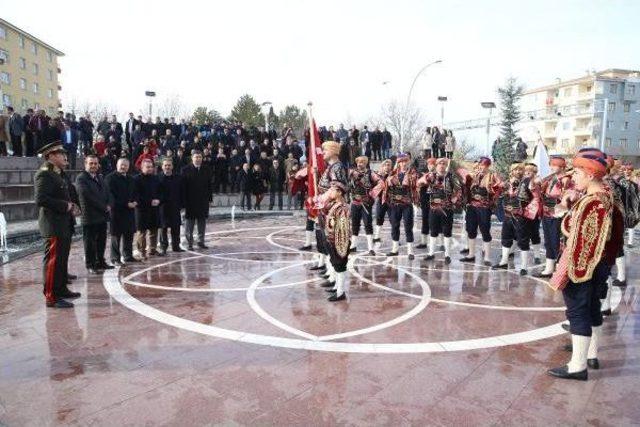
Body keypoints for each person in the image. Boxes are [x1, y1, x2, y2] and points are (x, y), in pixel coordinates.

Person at [547, 149, 622, 381]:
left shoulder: (592, 202)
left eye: (578, 173)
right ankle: (590, 354)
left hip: (584, 266)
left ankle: (577, 366)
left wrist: (574, 271)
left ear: (590, 175)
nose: (573, 177)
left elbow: (579, 234)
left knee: (578, 311)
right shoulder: (607, 197)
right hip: (599, 265)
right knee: (592, 310)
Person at [34, 142, 81, 308]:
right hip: (53, 225)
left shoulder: (59, 173)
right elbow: (41, 199)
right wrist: (66, 206)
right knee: (53, 262)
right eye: (60, 153)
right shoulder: (45, 174)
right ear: (51, 156)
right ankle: (51, 297)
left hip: (63, 224)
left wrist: (74, 206)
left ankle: (61, 289)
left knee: (61, 260)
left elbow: (68, 194)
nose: (64, 156)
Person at [535, 156, 575, 278]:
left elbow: (570, 197)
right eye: (551, 165)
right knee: (549, 241)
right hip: (547, 213)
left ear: (562, 167)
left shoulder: (567, 180)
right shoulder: (550, 179)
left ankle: (560, 269)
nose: (551, 167)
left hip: (559, 215)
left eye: (554, 165)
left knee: (558, 242)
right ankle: (549, 267)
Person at [418, 158, 462, 264]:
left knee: (447, 231)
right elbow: (419, 183)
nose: (441, 166)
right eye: (439, 164)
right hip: (433, 208)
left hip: (447, 209)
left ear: (446, 166)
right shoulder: (431, 176)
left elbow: (458, 190)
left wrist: (454, 199)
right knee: (433, 231)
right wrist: (425, 180)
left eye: (444, 164)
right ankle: (431, 253)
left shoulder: (451, 177)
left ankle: (447, 255)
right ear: (436, 165)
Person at [492, 163, 533, 275]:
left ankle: (524, 267)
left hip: (521, 217)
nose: (519, 171)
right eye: (516, 169)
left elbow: (534, 197)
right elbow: (497, 195)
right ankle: (503, 262)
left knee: (523, 240)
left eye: (521, 169)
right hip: (508, 216)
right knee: (505, 238)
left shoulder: (527, 183)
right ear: (512, 171)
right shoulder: (506, 184)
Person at [460, 157, 502, 265]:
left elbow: (500, 187)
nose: (480, 167)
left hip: (484, 207)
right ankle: (471, 254)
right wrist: (466, 180)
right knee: (471, 230)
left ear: (488, 166)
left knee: (485, 230)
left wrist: (495, 185)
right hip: (472, 207)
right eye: (479, 165)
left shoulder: (492, 176)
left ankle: (487, 257)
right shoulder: (473, 175)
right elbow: (465, 187)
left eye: (483, 165)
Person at [76, 154, 113, 274]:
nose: (93, 166)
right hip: (90, 216)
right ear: (85, 164)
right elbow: (87, 196)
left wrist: (110, 204)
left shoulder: (100, 177)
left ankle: (101, 261)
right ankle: (91, 264)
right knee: (89, 242)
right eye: (90, 163)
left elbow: (108, 193)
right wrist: (104, 207)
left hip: (102, 216)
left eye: (95, 163)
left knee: (101, 240)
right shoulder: (81, 178)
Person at [319, 185, 352, 302]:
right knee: (336, 264)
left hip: (339, 242)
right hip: (332, 240)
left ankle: (340, 292)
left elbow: (342, 229)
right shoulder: (334, 204)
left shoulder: (343, 208)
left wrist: (340, 245)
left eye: (332, 190)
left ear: (339, 192)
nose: (330, 192)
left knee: (340, 265)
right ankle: (337, 287)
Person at [381, 154, 418, 258]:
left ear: (408, 162)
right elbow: (386, 186)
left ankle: (410, 251)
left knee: (408, 227)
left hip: (407, 204)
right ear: (398, 163)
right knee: (395, 226)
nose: (403, 163)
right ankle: (395, 249)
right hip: (395, 204)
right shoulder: (392, 173)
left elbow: (415, 184)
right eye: (401, 161)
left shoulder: (412, 173)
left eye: (405, 161)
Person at [105, 158, 137, 265]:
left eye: (125, 165)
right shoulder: (110, 178)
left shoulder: (131, 179)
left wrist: (135, 202)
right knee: (116, 236)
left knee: (129, 234)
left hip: (129, 212)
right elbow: (111, 196)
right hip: (116, 212)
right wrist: (125, 203)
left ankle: (128, 256)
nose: (123, 167)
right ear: (117, 165)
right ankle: (115, 258)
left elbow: (135, 193)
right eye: (121, 165)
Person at [181, 150, 213, 250]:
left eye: (200, 157)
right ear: (192, 158)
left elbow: (209, 185)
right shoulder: (185, 170)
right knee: (189, 224)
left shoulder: (207, 169)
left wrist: (210, 199)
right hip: (190, 201)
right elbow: (183, 187)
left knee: (202, 222)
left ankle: (201, 241)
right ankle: (189, 243)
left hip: (203, 201)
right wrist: (183, 203)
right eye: (196, 157)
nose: (198, 159)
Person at [348, 156, 380, 255]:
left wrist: (372, 194)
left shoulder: (371, 173)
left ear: (365, 163)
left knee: (367, 224)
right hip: (355, 202)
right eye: (358, 162)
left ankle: (370, 248)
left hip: (366, 203)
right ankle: (353, 246)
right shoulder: (351, 172)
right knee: (354, 224)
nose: (359, 164)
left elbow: (381, 183)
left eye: (362, 162)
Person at [133, 159, 161, 259]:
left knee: (154, 229)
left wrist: (159, 200)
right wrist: (150, 201)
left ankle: (152, 249)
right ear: (142, 168)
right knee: (141, 232)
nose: (149, 169)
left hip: (154, 209)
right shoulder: (136, 179)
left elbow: (160, 192)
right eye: (147, 167)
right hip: (141, 209)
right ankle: (141, 251)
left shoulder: (156, 178)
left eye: (151, 167)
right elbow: (136, 195)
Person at [158, 158, 184, 254]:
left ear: (172, 166)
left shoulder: (178, 178)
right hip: (162, 206)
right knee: (163, 228)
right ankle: (163, 247)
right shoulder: (158, 178)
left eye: (169, 165)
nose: (167, 167)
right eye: (165, 165)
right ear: (162, 167)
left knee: (176, 227)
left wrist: (182, 204)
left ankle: (176, 246)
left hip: (175, 206)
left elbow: (182, 191)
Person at [372, 159, 392, 243]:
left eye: (388, 165)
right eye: (385, 165)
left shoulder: (393, 174)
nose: (387, 167)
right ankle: (377, 236)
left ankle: (395, 236)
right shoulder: (378, 175)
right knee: (379, 217)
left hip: (391, 200)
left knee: (394, 219)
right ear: (382, 166)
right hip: (381, 199)